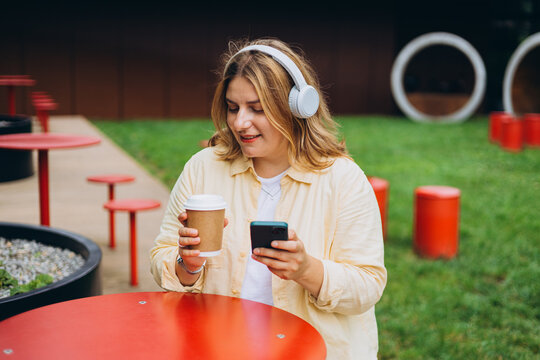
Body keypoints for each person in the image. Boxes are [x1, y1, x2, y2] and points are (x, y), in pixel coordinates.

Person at [150, 37, 387, 359]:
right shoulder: (203, 167)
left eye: (257, 109)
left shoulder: (343, 180)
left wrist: (307, 270)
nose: (239, 123)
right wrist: (187, 264)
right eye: (233, 108)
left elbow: (368, 286)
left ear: (296, 108)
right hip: (220, 347)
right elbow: (162, 254)